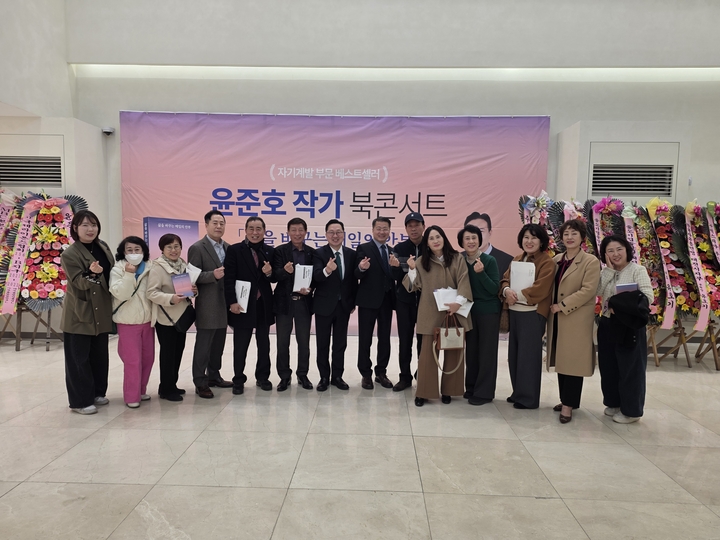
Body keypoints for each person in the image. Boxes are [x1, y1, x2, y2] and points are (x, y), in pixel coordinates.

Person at [404, 225, 472, 406]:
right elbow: (413, 286)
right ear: (427, 243)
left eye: (438, 236)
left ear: (444, 238)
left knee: (454, 351)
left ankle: (450, 390)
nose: (435, 240)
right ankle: (423, 392)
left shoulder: (457, 258)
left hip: (454, 311)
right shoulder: (421, 261)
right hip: (430, 312)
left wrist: (458, 303)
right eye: (431, 238)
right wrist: (412, 269)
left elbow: (464, 280)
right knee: (427, 356)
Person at [546, 219, 601, 423]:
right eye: (566, 234)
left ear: (582, 237)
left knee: (573, 362)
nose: (569, 237)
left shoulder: (590, 261)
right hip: (557, 318)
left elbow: (588, 290)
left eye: (574, 233)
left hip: (575, 318)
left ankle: (568, 405)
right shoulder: (557, 259)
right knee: (562, 360)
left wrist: (562, 305)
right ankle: (567, 400)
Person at [60, 210, 115, 415]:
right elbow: (78, 282)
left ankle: (98, 392)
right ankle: (80, 401)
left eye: (94, 225)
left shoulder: (103, 246)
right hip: (80, 312)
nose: (90, 229)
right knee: (78, 358)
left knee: (99, 355)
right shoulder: (70, 254)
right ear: (75, 228)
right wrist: (92, 273)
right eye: (85, 225)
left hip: (101, 310)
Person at [596, 235, 653, 424]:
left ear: (627, 250)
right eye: (610, 251)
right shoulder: (606, 272)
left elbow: (647, 296)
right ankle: (614, 403)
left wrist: (621, 305)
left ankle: (631, 411)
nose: (615, 254)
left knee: (631, 368)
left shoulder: (637, 270)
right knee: (608, 366)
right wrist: (609, 271)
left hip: (629, 325)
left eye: (619, 249)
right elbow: (597, 292)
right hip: (607, 323)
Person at [500, 223, 555, 410]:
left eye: (534, 238)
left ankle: (528, 398)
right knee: (515, 355)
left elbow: (541, 288)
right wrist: (506, 290)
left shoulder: (547, 262)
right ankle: (518, 392)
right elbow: (505, 279)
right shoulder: (517, 258)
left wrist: (515, 295)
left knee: (528, 357)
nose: (529, 241)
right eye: (526, 237)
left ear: (541, 241)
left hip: (533, 314)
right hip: (515, 313)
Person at [225, 216, 276, 395]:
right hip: (242, 304)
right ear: (245, 230)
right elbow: (229, 278)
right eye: (251, 229)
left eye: (259, 229)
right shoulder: (234, 250)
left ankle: (263, 377)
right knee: (240, 345)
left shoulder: (270, 251)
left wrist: (269, 273)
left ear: (264, 231)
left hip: (263, 304)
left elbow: (274, 278)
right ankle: (238, 379)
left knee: (264, 343)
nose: (255, 233)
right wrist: (232, 302)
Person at [188, 210, 232, 399]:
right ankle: (200, 381)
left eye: (222, 223)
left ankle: (214, 376)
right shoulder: (197, 248)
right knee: (203, 346)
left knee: (218, 345)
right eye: (215, 223)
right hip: (207, 304)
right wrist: (212, 275)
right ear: (206, 225)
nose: (218, 226)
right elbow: (191, 277)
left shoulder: (229, 248)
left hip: (224, 304)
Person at [147, 234, 197, 401]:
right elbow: (151, 292)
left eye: (176, 246)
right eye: (169, 247)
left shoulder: (183, 265)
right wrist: (171, 298)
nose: (173, 250)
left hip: (181, 317)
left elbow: (186, 290)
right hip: (166, 318)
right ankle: (166, 389)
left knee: (178, 352)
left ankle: (170, 385)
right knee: (168, 354)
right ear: (162, 249)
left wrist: (193, 291)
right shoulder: (157, 267)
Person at [311, 219, 358, 392]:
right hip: (324, 305)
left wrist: (352, 302)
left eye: (338, 232)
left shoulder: (351, 254)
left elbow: (353, 281)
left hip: (343, 306)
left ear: (344, 234)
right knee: (322, 343)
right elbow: (316, 276)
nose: (335, 235)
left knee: (340, 343)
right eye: (331, 232)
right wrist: (327, 270)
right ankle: (324, 377)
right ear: (326, 235)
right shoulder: (318, 253)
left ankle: (337, 376)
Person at [457, 224, 501, 406]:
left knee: (487, 353)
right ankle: (471, 387)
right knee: (472, 351)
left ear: (480, 240)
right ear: (462, 242)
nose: (471, 241)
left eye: (474, 238)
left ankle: (484, 392)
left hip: (488, 312)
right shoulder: (459, 260)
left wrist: (481, 273)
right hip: (467, 312)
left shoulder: (489, 260)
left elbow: (494, 289)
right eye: (467, 238)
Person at [355, 216, 400, 390]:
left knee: (385, 338)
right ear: (373, 230)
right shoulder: (364, 248)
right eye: (379, 228)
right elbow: (356, 273)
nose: (382, 232)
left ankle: (381, 372)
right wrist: (361, 268)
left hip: (387, 301)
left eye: (385, 229)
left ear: (389, 231)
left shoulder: (392, 251)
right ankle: (365, 374)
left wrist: (396, 268)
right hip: (368, 300)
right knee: (365, 338)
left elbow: (395, 277)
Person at [109, 236, 155, 408]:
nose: (134, 253)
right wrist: (129, 274)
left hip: (148, 321)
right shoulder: (117, 269)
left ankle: (141, 390)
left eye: (137, 249)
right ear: (123, 252)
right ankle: (131, 396)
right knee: (132, 361)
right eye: (129, 250)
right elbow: (121, 294)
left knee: (148, 359)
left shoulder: (151, 267)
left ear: (143, 251)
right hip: (127, 322)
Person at [273, 217, 316, 391]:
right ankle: (284, 376)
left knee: (303, 342)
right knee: (282, 342)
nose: (297, 233)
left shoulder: (312, 253)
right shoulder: (279, 251)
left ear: (306, 232)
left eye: (300, 230)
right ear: (288, 232)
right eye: (293, 230)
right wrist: (285, 271)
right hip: (284, 303)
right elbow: (274, 276)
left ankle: (302, 374)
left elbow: (316, 277)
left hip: (303, 303)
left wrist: (310, 289)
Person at [391, 212, 425, 391]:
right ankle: (404, 377)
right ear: (405, 229)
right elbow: (395, 276)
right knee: (405, 341)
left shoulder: (431, 247)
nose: (413, 229)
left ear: (423, 226)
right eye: (410, 226)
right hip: (405, 302)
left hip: (426, 303)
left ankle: (423, 374)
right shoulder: (400, 248)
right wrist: (397, 268)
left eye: (416, 225)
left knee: (424, 341)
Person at [464, 212, 514, 280]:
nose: (475, 237)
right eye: (470, 232)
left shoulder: (507, 261)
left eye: (480, 231)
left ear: (490, 233)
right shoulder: (458, 259)